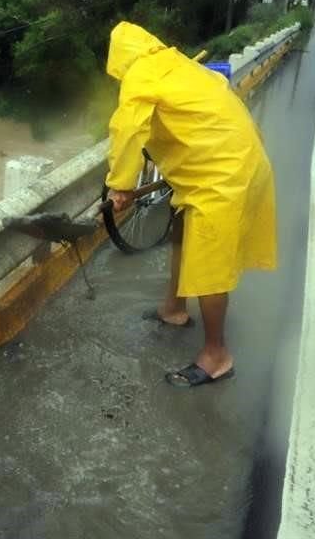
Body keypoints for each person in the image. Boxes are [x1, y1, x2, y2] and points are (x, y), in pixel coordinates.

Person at [104, 21, 277, 388]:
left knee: (209, 263)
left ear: (118, 59)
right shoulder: (178, 64)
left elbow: (127, 131)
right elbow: (197, 119)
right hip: (239, 157)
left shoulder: (139, 76)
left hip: (223, 176)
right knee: (182, 227)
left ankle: (217, 356)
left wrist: (120, 186)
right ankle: (175, 310)